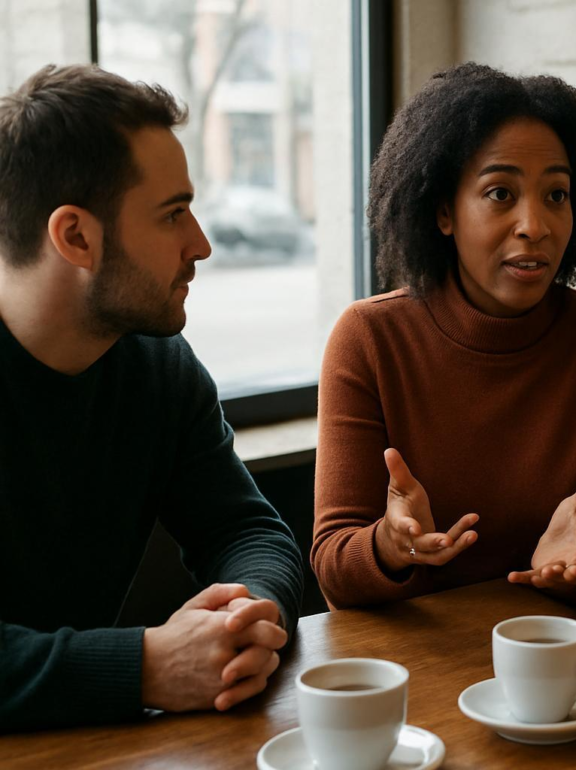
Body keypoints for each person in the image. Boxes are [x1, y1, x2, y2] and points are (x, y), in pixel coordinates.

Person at [0, 65, 303, 732]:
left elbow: (246, 530)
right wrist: (142, 666)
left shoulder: (156, 367)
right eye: (172, 215)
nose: (201, 244)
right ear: (76, 237)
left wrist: (249, 618)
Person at [311, 63, 576, 607]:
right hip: (411, 661)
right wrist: (388, 545)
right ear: (444, 212)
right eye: (499, 193)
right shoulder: (370, 338)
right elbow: (333, 565)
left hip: (550, 652)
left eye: (556, 195)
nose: (534, 225)